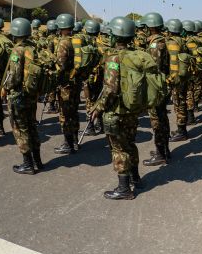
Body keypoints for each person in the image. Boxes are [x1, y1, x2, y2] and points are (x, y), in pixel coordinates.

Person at [89, 17, 154, 200]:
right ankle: (136, 178)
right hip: (132, 110)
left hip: (116, 111)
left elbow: (110, 89)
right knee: (130, 143)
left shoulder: (113, 58)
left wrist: (98, 108)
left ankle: (124, 188)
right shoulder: (136, 55)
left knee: (119, 149)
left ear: (114, 35)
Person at [3, 17, 42, 174]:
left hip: (19, 96)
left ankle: (27, 164)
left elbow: (14, 77)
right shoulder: (34, 48)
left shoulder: (17, 51)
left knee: (20, 128)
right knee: (32, 126)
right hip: (31, 95)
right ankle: (38, 161)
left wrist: (5, 87)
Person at [141, 12, 171, 166]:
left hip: (155, 86)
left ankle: (160, 153)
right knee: (162, 116)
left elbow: (154, 68)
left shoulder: (155, 45)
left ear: (150, 27)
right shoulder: (160, 41)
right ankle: (164, 149)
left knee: (157, 120)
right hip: (161, 84)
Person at [52, 13, 78, 155]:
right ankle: (74, 141)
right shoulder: (76, 40)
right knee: (73, 112)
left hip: (65, 84)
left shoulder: (63, 43)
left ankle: (68, 144)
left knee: (65, 114)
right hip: (75, 82)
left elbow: (60, 66)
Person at [166, 19, 190, 142]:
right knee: (181, 103)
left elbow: (174, 63)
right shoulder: (181, 40)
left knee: (179, 104)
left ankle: (182, 131)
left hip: (177, 79)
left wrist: (171, 79)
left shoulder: (172, 43)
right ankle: (181, 129)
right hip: (183, 77)